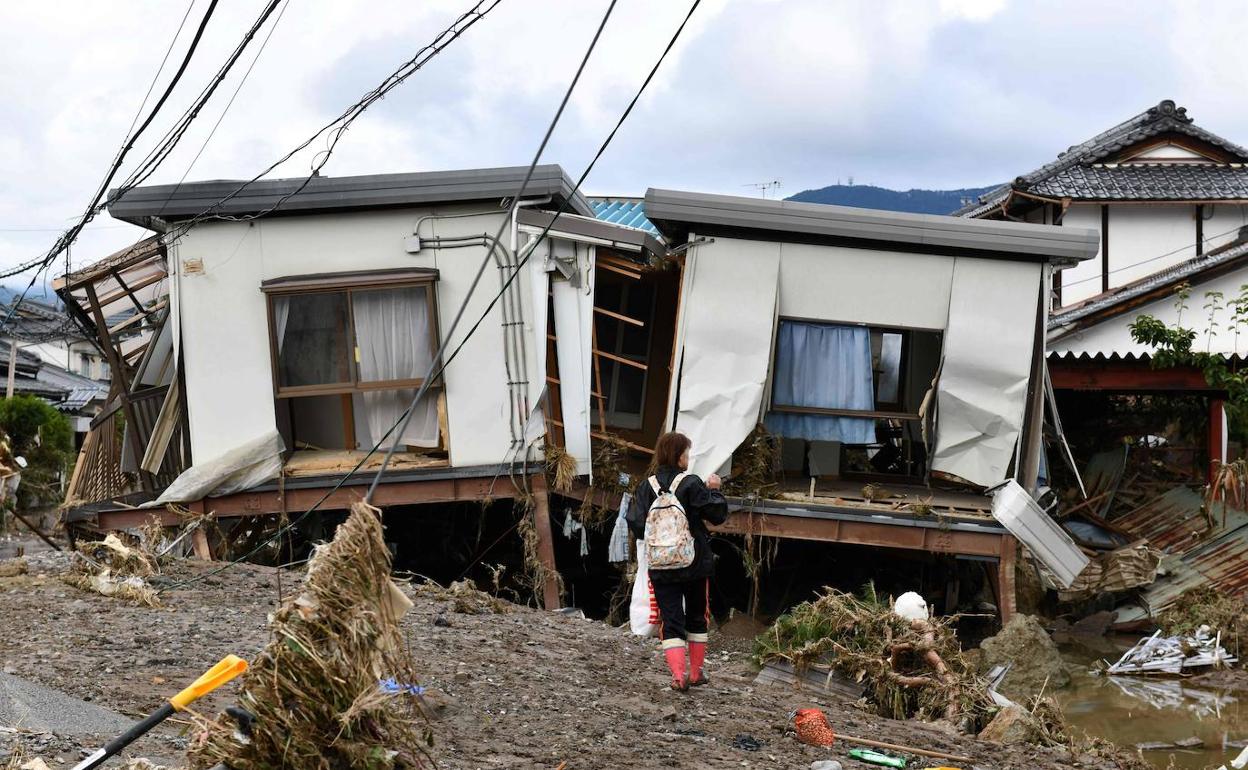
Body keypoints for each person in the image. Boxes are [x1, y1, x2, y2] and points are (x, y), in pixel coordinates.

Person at [626, 431, 728, 691]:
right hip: (693, 563)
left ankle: (677, 676)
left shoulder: (645, 486)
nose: (688, 458)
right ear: (679, 455)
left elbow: (637, 525)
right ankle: (695, 673)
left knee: (670, 620)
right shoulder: (692, 484)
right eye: (686, 453)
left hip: (661, 564)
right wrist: (714, 491)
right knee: (697, 616)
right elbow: (717, 515)